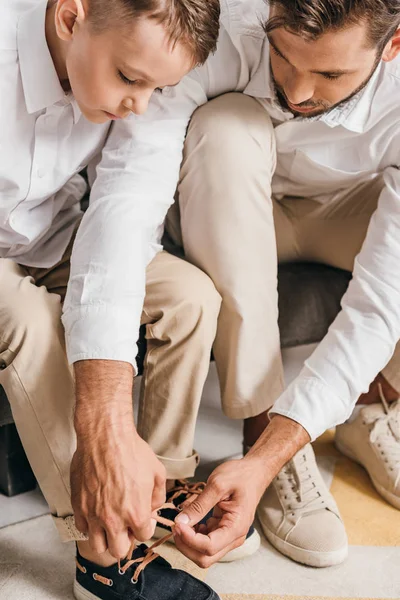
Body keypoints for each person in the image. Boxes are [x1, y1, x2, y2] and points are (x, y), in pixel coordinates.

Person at [63, 0, 400, 571]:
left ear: (393, 46)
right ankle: (261, 420)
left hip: (346, 211)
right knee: (227, 124)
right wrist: (104, 421)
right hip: (227, 199)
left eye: (330, 74)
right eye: (283, 56)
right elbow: (126, 199)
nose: (296, 91)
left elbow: (378, 306)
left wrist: (270, 458)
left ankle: (371, 407)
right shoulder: (225, 26)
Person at [0, 0, 224, 599]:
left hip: (52, 234)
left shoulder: (121, 76)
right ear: (71, 17)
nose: (140, 106)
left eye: (158, 88)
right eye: (130, 78)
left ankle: (154, 496)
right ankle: (103, 551)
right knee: (27, 320)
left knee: (191, 298)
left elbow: (124, 205)